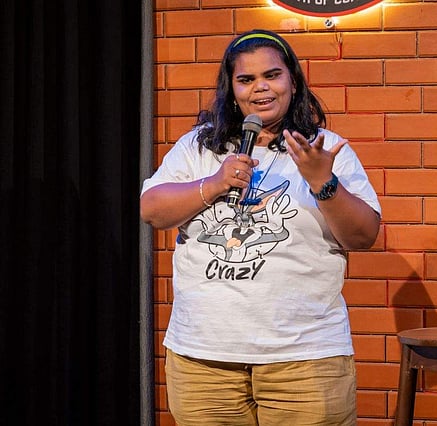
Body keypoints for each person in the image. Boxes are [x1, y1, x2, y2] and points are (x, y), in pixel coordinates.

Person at [140, 29, 381, 425]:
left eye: (272, 75)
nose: (260, 87)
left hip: (304, 360)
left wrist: (323, 182)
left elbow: (363, 235)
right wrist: (214, 183)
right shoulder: (198, 147)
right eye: (246, 79)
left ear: (293, 81)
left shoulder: (323, 148)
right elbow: (152, 210)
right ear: (232, 89)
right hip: (204, 360)